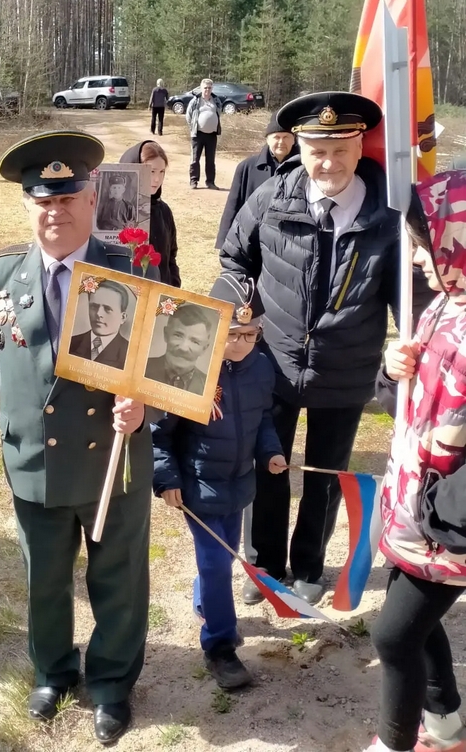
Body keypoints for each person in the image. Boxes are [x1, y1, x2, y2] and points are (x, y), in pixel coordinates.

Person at [0, 131, 156, 745]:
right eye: (43, 201)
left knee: (118, 579)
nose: (55, 213)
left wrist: (146, 410)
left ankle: (113, 683)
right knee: (44, 578)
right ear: (27, 205)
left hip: (113, 459)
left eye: (67, 200)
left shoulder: (130, 270)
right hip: (34, 458)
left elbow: (175, 372)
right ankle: (53, 670)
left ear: (91, 201)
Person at [220, 91, 430, 606]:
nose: (328, 162)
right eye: (317, 149)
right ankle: (265, 563)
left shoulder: (391, 216)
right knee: (267, 465)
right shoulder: (272, 196)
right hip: (271, 362)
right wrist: (238, 310)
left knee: (327, 474)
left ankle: (310, 562)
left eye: (341, 149)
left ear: (361, 147)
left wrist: (411, 347)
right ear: (300, 146)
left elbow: (414, 302)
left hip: (346, 367)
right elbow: (234, 261)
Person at [365, 170, 466, 752]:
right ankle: (446, 723)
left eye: (427, 247)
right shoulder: (441, 306)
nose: (420, 260)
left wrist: (444, 509)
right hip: (408, 504)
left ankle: (394, 743)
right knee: (415, 628)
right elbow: (399, 406)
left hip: (445, 522)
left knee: (393, 638)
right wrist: (393, 368)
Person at [152, 276, 287, 690]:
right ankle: (220, 646)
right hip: (198, 487)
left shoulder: (261, 367)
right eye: (232, 333)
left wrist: (271, 452)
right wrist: (166, 477)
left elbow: (263, 417)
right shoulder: (188, 370)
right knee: (214, 563)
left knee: (224, 559)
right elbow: (160, 433)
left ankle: (204, 601)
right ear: (213, 328)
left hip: (240, 485)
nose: (241, 342)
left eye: (251, 334)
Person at [214, 111, 298, 249]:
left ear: (294, 139)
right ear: (267, 139)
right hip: (254, 241)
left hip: (290, 244)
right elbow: (233, 206)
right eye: (276, 137)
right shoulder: (247, 167)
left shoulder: (304, 168)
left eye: (286, 137)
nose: (281, 142)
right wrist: (223, 242)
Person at [119, 140, 181, 287]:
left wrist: (173, 284)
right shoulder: (119, 208)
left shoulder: (163, 210)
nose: (157, 179)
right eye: (151, 171)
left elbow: (170, 255)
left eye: (162, 172)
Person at [145, 303, 213, 395]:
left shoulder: (210, 387)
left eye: (195, 341)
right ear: (166, 334)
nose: (183, 348)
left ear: (204, 349)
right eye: (178, 335)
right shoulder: (142, 368)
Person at [69, 280, 130, 369]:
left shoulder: (129, 355)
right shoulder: (71, 343)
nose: (99, 314)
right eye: (94, 306)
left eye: (107, 309)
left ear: (123, 317)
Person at [186, 78, 222, 190]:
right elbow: (188, 116)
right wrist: (193, 127)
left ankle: (210, 182)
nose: (207, 90)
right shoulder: (195, 101)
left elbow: (219, 113)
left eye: (209, 88)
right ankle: (194, 181)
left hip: (212, 135)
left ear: (212, 89)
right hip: (198, 134)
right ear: (201, 88)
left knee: (211, 160)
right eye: (205, 88)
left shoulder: (216, 100)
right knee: (195, 159)